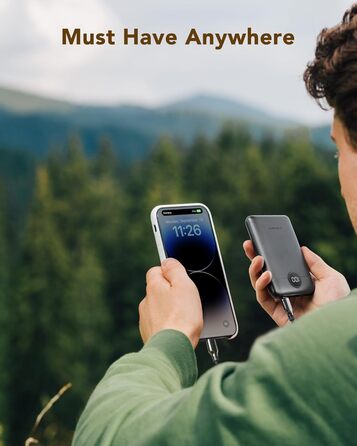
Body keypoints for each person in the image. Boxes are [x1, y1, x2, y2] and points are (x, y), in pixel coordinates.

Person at [72, 5, 357, 445]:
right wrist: (326, 321)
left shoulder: (339, 357)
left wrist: (167, 341)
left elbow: (112, 435)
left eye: (339, 150)